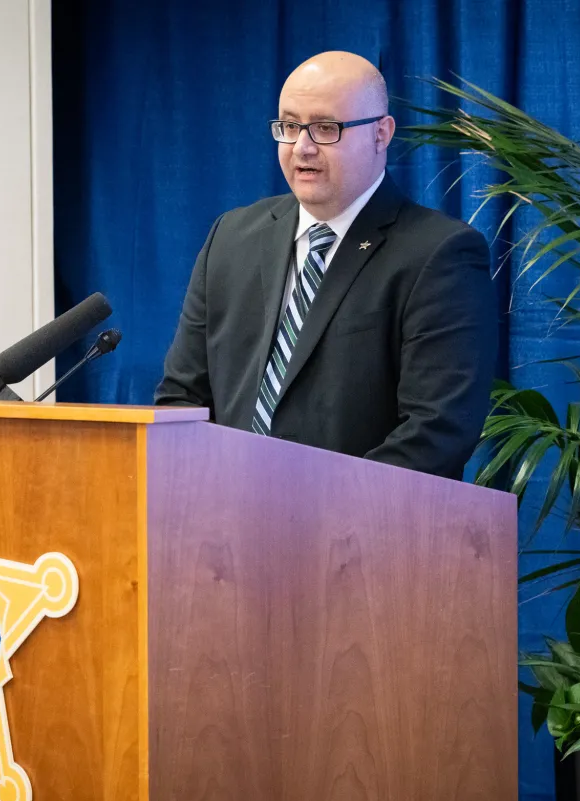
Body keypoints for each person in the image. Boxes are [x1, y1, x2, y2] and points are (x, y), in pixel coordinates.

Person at [155, 51, 498, 480]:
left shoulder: (439, 254)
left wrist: (313, 513)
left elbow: (436, 433)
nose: (302, 147)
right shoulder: (231, 237)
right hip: (222, 526)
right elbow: (183, 397)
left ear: (381, 134)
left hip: (359, 534)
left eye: (324, 128)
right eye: (289, 126)